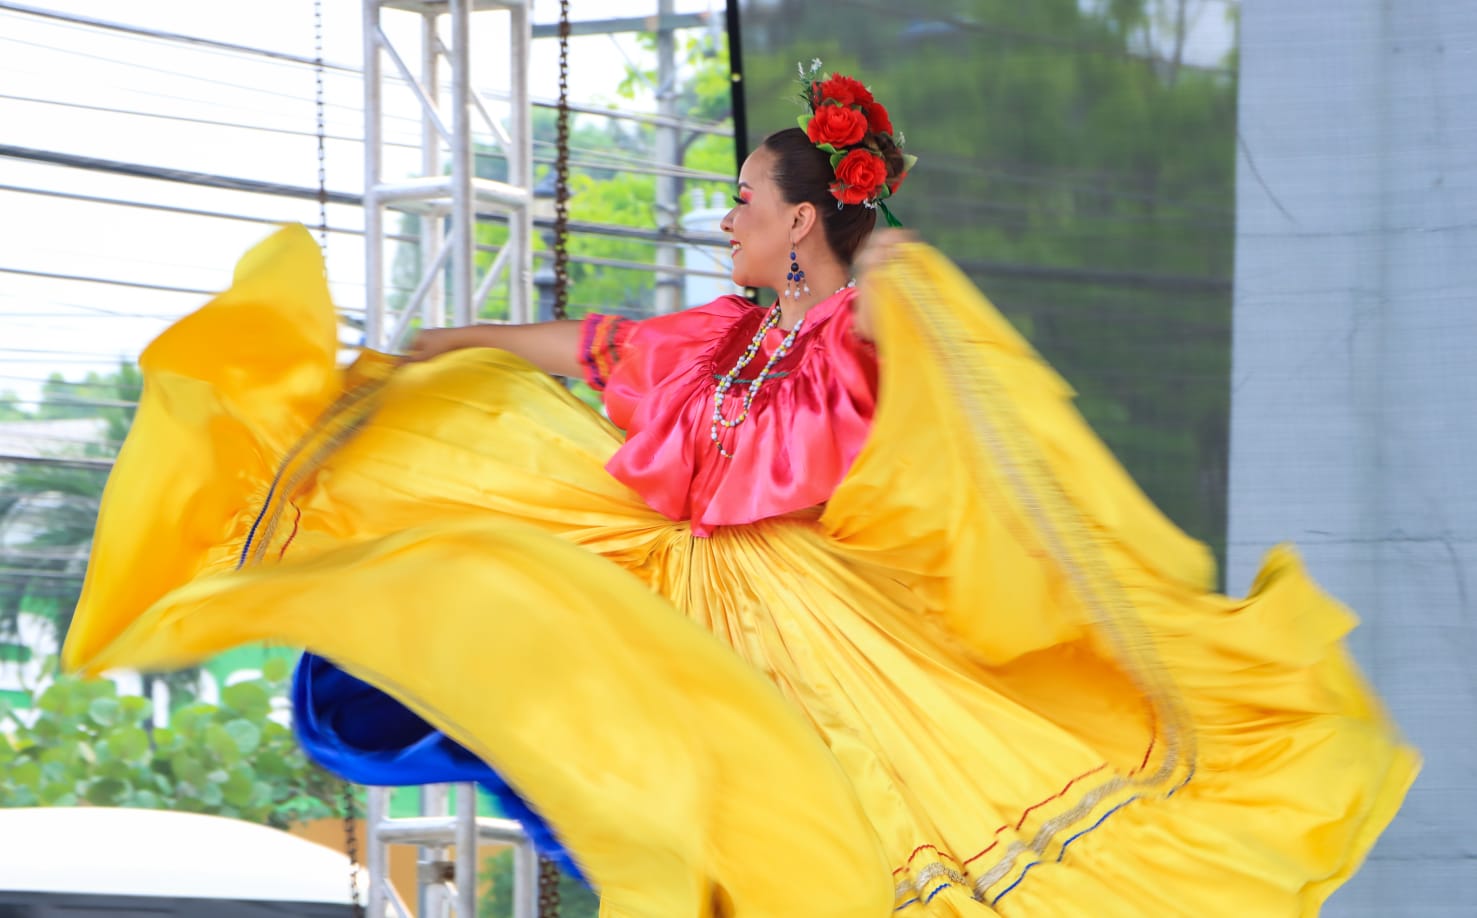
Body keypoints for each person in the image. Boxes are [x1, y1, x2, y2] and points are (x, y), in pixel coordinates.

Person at [64, 65, 1415, 917]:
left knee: (841, 825)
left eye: (745, 199)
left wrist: (903, 285)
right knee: (560, 646)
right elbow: (597, 349)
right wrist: (457, 343)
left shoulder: (868, 317)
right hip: (678, 578)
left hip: (807, 607)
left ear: (805, 218)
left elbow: (962, 391)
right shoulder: (725, 332)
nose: (728, 217)